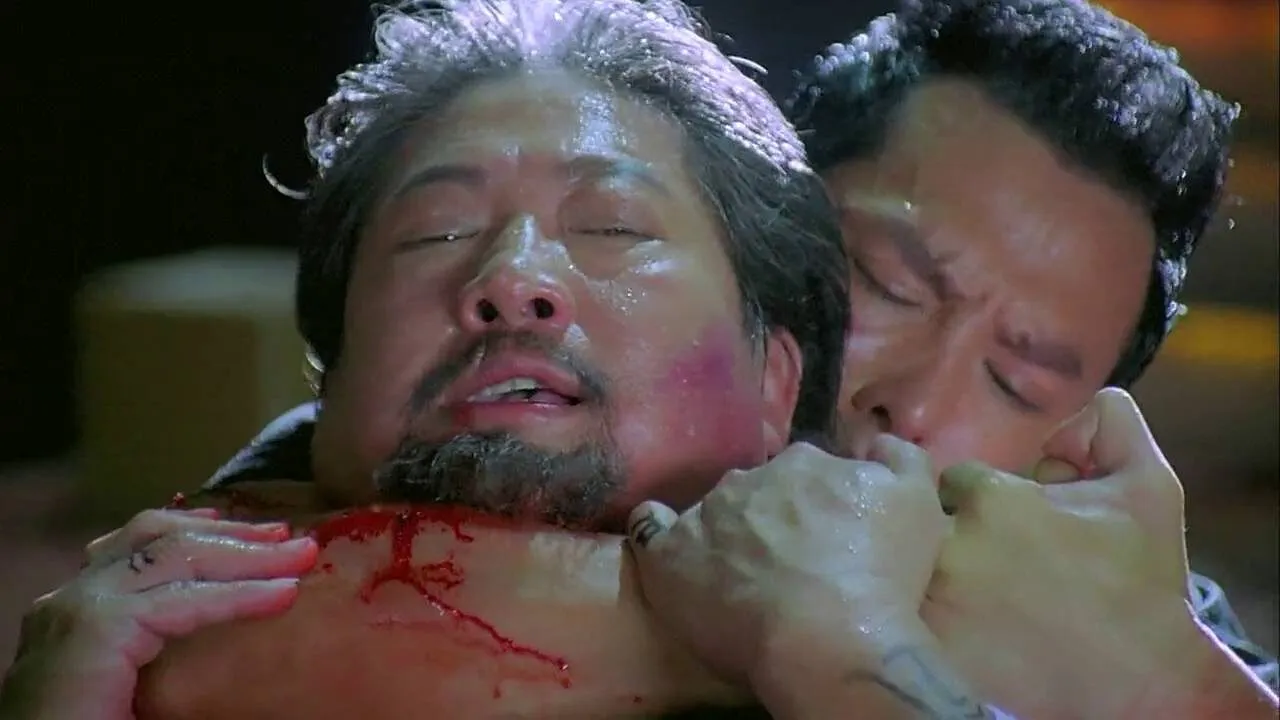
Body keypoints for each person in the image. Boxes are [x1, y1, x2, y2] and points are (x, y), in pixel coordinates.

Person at [781, 0, 1279, 701]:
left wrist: (1166, 679)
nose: (914, 408)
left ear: (1076, 448)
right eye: (890, 285)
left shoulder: (1124, 649)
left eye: (1016, 381)